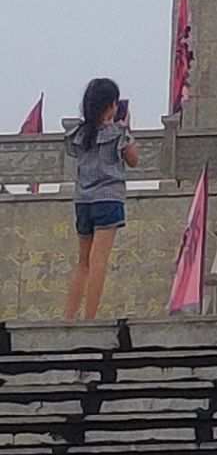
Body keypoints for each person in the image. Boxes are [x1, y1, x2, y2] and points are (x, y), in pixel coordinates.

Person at [63, 78, 139, 320]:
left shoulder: (78, 133)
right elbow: (134, 159)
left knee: (82, 262)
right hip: (108, 199)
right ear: (111, 105)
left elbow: (74, 151)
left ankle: (69, 316)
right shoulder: (117, 133)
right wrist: (126, 129)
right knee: (99, 262)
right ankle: (90, 319)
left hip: (83, 201)